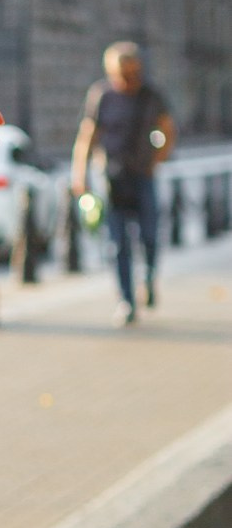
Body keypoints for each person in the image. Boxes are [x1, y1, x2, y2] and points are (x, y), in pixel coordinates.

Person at [71, 41, 175, 325]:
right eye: (121, 73)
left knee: (150, 236)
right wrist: (79, 174)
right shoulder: (102, 95)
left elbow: (167, 129)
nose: (126, 80)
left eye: (131, 73)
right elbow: (88, 135)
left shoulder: (151, 95)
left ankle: (150, 278)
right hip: (111, 177)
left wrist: (157, 160)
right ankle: (126, 301)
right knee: (117, 244)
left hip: (143, 176)